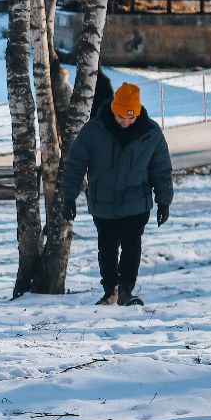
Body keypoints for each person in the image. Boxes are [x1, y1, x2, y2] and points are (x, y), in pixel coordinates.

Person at [60, 81, 172, 306]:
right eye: (121, 117)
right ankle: (110, 289)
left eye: (131, 118)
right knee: (107, 247)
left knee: (132, 246)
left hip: (136, 202)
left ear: (137, 112)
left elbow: (161, 169)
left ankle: (126, 291)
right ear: (114, 109)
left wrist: (164, 202)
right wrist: (69, 197)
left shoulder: (151, 133)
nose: (126, 122)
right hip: (103, 201)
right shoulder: (94, 130)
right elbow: (75, 164)